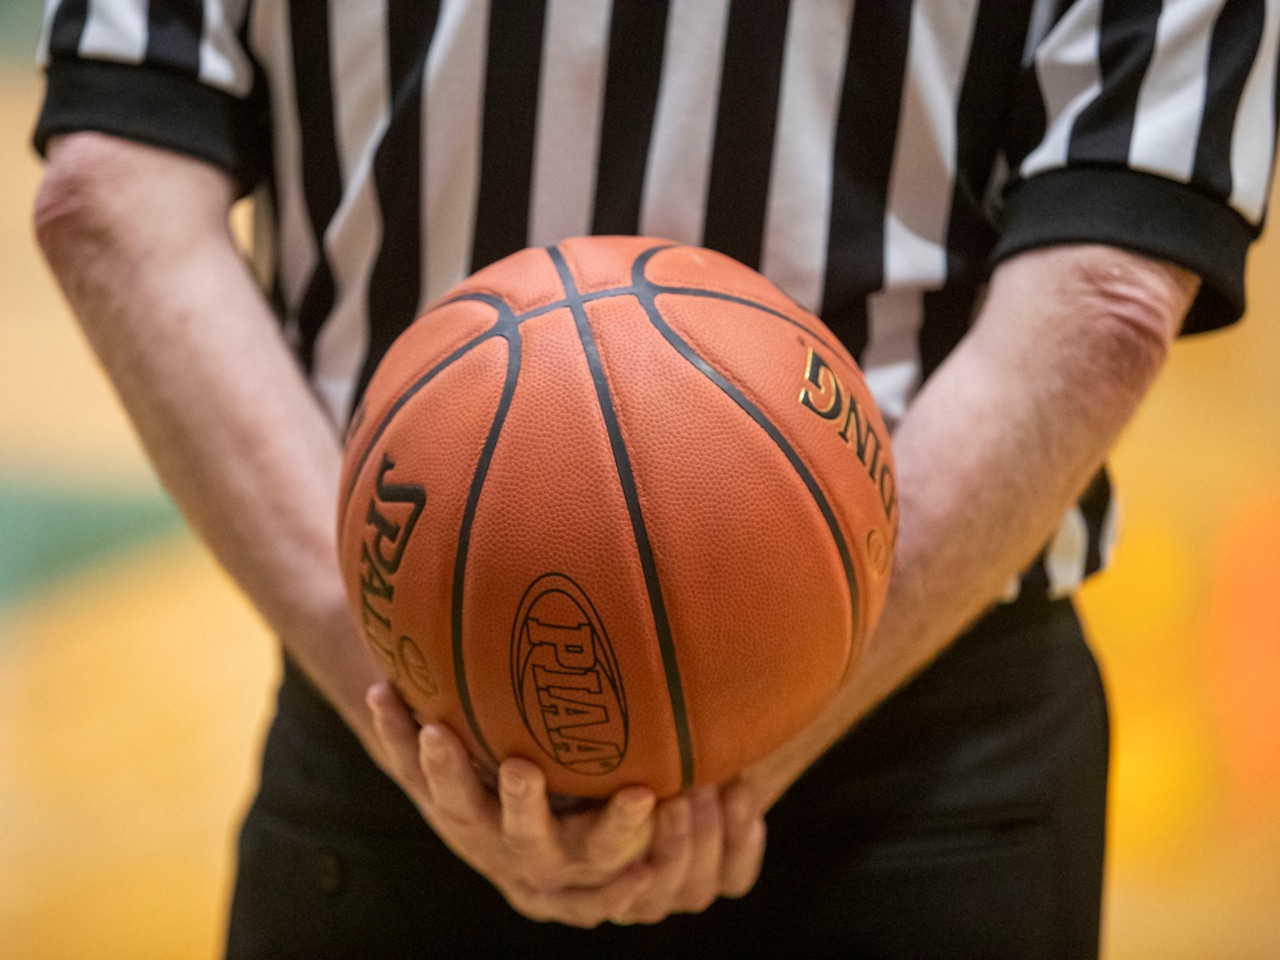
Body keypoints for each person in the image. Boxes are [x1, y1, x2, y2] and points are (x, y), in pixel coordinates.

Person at [31, 0, 1277, 956]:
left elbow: (108, 190)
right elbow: (1109, 280)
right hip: (916, 742)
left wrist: (435, 715)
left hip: (398, 696)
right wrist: (729, 747)